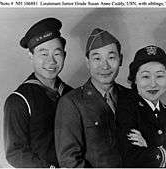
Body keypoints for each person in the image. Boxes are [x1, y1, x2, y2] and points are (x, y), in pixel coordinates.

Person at [54, 28, 131, 167]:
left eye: (111, 57)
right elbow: (69, 161)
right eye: (97, 58)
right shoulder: (72, 103)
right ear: (87, 62)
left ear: (121, 60)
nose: (105, 65)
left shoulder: (132, 97)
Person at [3, 18, 73, 168]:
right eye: (43, 54)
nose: (51, 61)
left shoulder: (72, 95)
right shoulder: (19, 100)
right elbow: (15, 152)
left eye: (57, 53)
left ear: (64, 55)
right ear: (31, 56)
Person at [117, 45, 166, 167]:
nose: (153, 84)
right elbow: (132, 158)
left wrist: (148, 149)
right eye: (145, 76)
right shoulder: (127, 110)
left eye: (160, 76)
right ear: (135, 79)